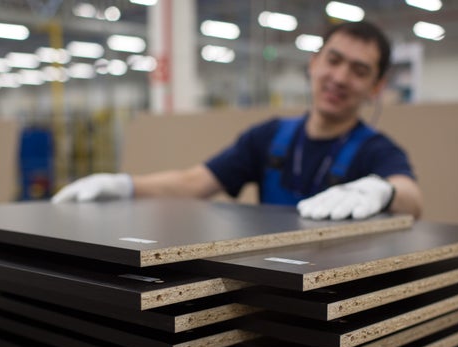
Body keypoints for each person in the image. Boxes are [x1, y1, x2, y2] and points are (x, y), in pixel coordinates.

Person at [53, 20, 422, 221]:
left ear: (376, 86)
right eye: (333, 60)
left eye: (359, 71)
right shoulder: (269, 137)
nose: (340, 78)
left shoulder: (376, 150)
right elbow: (194, 182)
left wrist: (384, 192)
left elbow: (411, 198)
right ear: (313, 63)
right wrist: (123, 186)